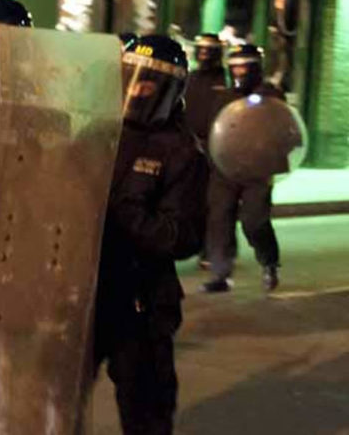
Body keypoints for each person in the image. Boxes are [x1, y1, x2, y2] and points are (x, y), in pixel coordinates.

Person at [95, 35, 207, 435]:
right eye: (130, 77)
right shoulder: (99, 132)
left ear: (169, 91)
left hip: (140, 302)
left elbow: (183, 236)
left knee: (145, 413)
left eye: (147, 82)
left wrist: (126, 214)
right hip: (86, 295)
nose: (135, 88)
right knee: (52, 403)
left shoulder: (181, 153)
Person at [202, 44, 284, 293]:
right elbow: (213, 129)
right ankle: (221, 273)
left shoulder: (270, 96)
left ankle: (269, 261)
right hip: (225, 166)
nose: (238, 72)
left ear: (254, 68)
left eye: (243, 67)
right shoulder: (223, 96)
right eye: (234, 67)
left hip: (257, 169)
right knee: (219, 218)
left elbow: (281, 128)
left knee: (254, 220)